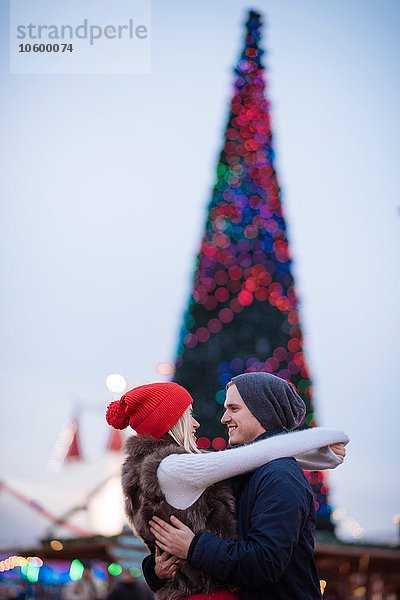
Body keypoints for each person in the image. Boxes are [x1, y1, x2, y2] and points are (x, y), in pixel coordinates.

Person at [106, 379, 348, 600]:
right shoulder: (174, 467)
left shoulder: (278, 476)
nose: (220, 419)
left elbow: (265, 561)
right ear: (173, 422)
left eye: (234, 408)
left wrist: (174, 559)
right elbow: (252, 454)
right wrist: (322, 444)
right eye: (190, 414)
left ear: (262, 412)